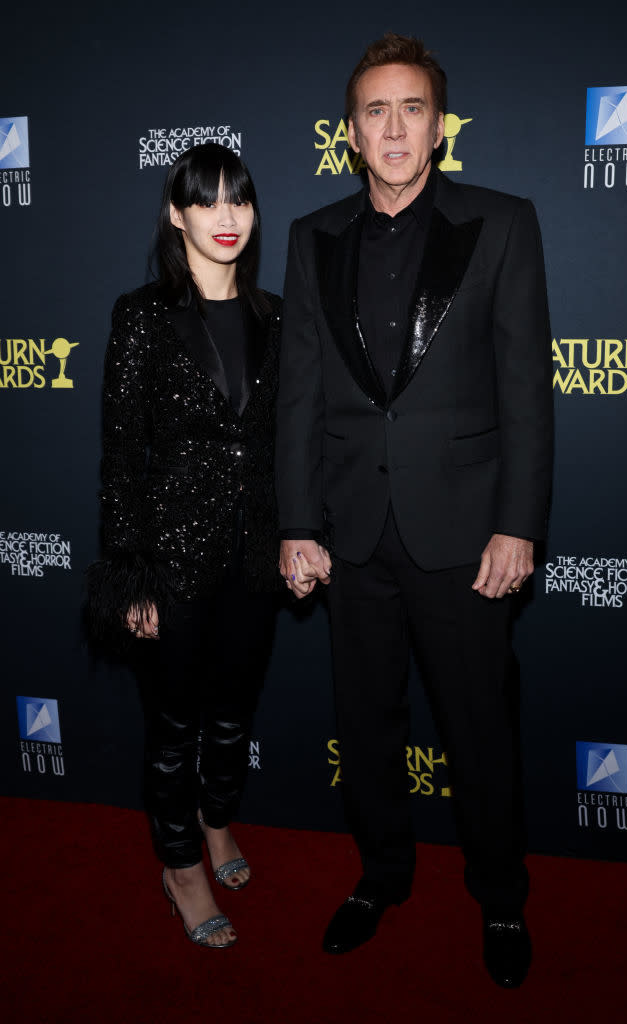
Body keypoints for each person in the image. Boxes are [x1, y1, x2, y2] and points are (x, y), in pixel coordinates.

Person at [276, 33, 553, 987]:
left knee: (478, 728)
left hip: (467, 536)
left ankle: (500, 895)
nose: (393, 128)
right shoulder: (312, 237)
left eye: (411, 109)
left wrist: (518, 523)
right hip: (351, 535)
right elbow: (300, 394)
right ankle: (381, 876)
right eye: (374, 112)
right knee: (365, 728)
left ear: (439, 124)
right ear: (349, 132)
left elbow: (526, 392)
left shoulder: (503, 224)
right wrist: (295, 522)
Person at [88, 143, 281, 949]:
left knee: (233, 714)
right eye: (206, 200)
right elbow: (121, 451)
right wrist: (132, 577)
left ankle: (216, 819)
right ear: (176, 214)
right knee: (173, 729)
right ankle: (179, 866)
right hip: (170, 559)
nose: (227, 215)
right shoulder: (141, 315)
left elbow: (285, 444)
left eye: (238, 198)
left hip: (254, 556)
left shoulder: (276, 316)